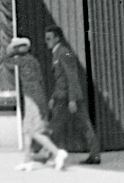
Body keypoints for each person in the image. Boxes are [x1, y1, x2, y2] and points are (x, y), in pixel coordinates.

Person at [5, 37, 67, 171]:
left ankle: (57, 153)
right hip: (35, 98)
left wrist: (11, 49)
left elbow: (6, 61)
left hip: (32, 99)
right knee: (27, 130)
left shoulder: (22, 60)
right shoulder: (33, 60)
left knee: (34, 132)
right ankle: (27, 160)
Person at [44, 25, 100, 165]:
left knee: (56, 127)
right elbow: (60, 80)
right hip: (62, 96)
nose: (47, 41)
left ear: (57, 38)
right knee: (60, 126)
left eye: (49, 38)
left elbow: (72, 77)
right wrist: (52, 97)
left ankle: (48, 155)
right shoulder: (57, 53)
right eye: (46, 39)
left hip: (68, 98)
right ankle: (94, 154)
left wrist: (72, 99)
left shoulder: (64, 52)